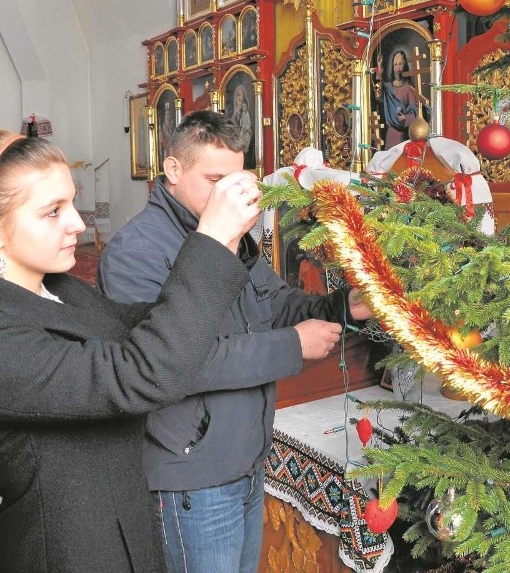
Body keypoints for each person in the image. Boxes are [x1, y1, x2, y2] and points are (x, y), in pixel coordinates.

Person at [0, 129, 263, 573]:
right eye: (53, 211)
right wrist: (209, 239)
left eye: (71, 203)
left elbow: (149, 326)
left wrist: (227, 240)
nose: (77, 222)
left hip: (126, 531)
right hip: (66, 551)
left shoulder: (59, 290)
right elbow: (141, 374)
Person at [97, 110, 373, 573]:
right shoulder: (137, 252)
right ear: (173, 170)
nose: (229, 197)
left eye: (238, 182)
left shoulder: (234, 237)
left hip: (244, 458)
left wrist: (344, 306)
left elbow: (277, 304)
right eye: (214, 180)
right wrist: (291, 345)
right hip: (191, 474)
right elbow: (176, 363)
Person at [375, 49, 420, 149]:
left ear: (405, 65)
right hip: (391, 133)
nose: (398, 68)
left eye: (400, 64)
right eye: (395, 64)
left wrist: (406, 118)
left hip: (403, 134)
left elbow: (415, 111)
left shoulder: (409, 88)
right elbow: (378, 95)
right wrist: (379, 70)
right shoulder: (388, 87)